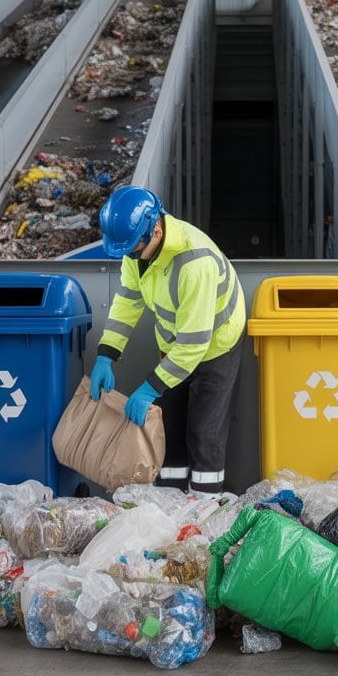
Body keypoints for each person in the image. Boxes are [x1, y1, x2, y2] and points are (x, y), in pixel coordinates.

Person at [89, 185, 245, 498]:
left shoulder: (194, 263)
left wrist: (150, 388)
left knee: (204, 432)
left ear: (156, 230)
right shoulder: (137, 249)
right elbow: (128, 299)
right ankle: (173, 502)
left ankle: (205, 505)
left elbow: (194, 344)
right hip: (174, 343)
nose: (129, 256)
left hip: (215, 345)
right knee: (168, 427)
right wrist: (107, 354)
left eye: (132, 249)